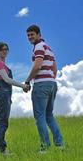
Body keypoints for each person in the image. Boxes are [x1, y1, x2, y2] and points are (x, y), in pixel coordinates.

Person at [24, 24, 64, 153]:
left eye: (32, 34)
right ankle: (60, 144)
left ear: (39, 35)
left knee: (40, 117)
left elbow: (37, 66)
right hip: (52, 83)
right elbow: (54, 68)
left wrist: (27, 80)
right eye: (28, 35)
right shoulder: (49, 48)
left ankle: (45, 147)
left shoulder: (39, 47)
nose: (30, 37)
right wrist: (51, 80)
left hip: (41, 84)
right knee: (49, 116)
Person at [0, 42, 29, 155]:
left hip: (6, 94)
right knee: (3, 123)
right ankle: (2, 149)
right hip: (2, 93)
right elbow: (7, 80)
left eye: (6, 49)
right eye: (1, 49)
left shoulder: (3, 65)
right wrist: (23, 86)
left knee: (0, 123)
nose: (4, 51)